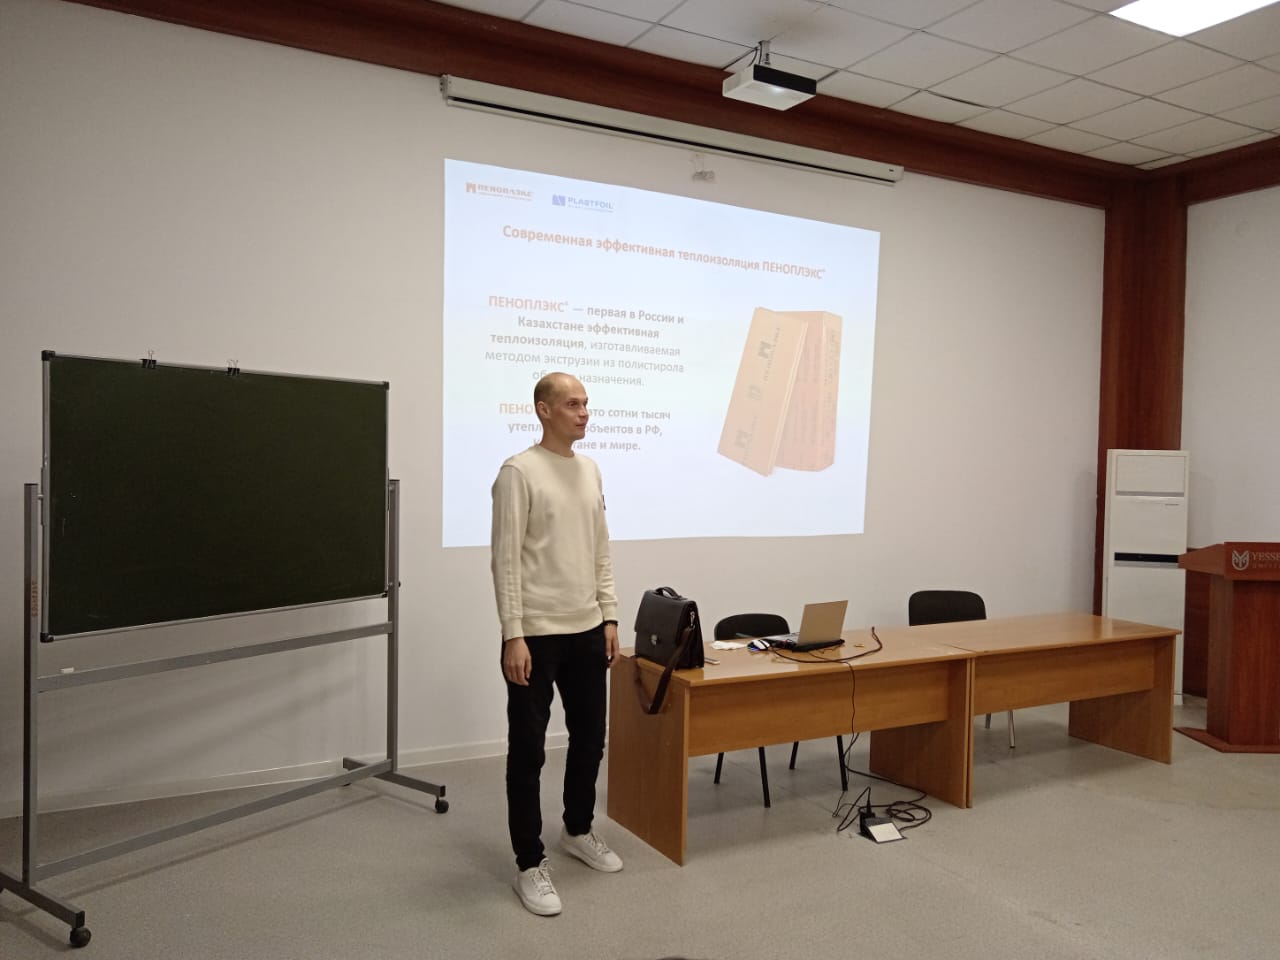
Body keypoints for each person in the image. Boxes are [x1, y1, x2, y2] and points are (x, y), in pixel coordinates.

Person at [490, 371, 623, 917]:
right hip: (537, 636)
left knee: (590, 740)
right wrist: (513, 634)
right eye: (572, 404)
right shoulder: (518, 472)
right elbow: (505, 560)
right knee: (528, 751)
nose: (584, 412)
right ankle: (529, 862)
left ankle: (577, 829)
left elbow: (600, 550)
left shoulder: (589, 469)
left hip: (588, 629)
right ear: (544, 410)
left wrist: (609, 614)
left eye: (586, 403)